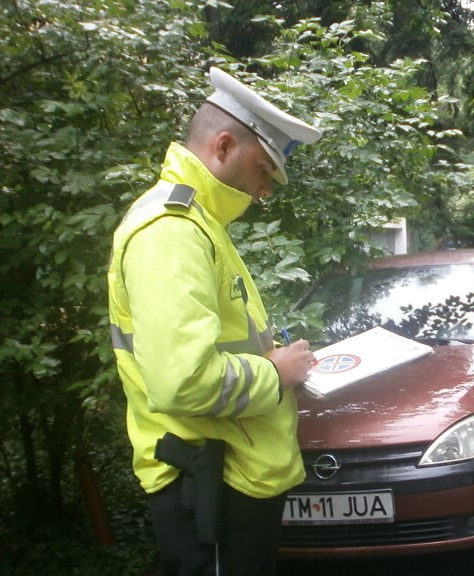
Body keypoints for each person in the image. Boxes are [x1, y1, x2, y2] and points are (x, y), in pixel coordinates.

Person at [107, 67, 321, 576]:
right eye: (263, 170)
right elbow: (184, 381)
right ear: (223, 146)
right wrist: (277, 374)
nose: (265, 190)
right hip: (207, 482)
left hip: (226, 477)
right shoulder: (171, 231)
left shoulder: (201, 225)